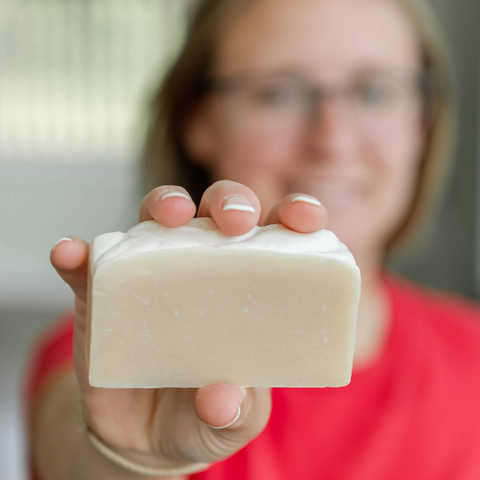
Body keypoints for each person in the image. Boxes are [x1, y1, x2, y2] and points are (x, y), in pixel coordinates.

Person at [25, 0, 480, 478]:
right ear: (198, 121)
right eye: (278, 94)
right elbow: (69, 451)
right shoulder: (109, 341)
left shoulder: (472, 355)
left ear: (421, 125)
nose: (333, 140)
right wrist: (129, 459)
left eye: (374, 92)